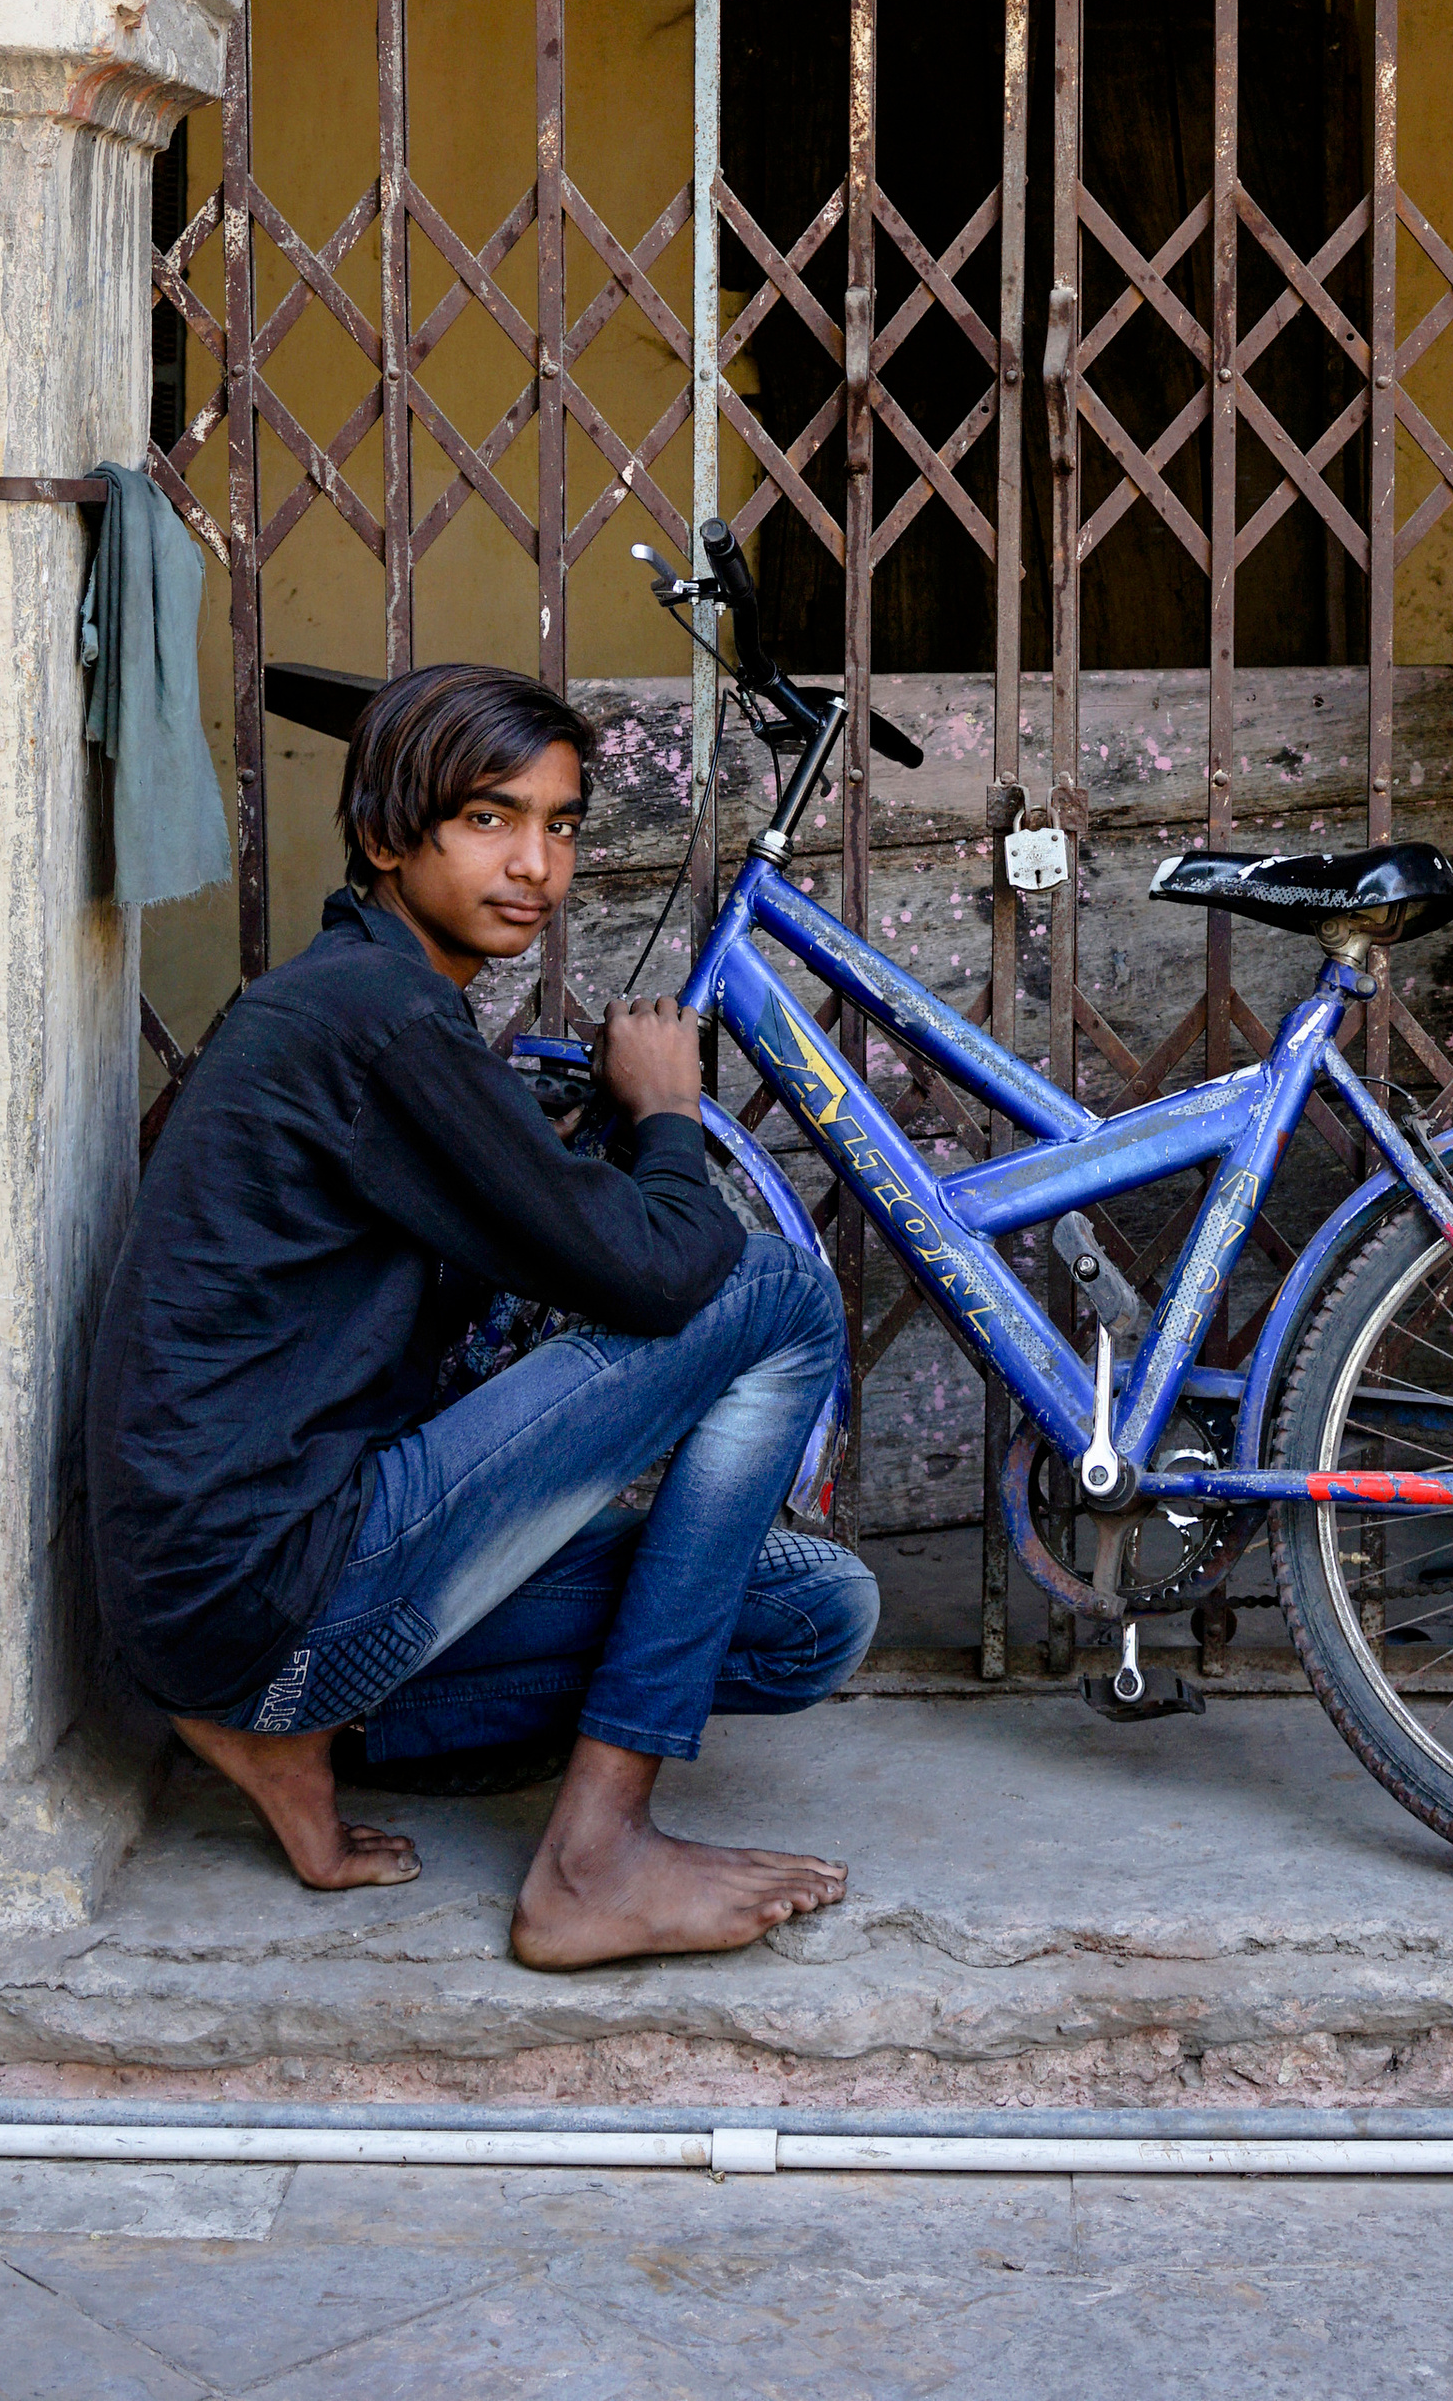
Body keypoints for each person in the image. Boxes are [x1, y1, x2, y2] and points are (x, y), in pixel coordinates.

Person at [86, 662, 876, 1962]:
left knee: (811, 1617)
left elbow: (548, 1239)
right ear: (390, 835)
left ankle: (291, 1735)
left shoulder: (372, 1006)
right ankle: (595, 1856)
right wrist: (668, 1109)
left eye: (560, 824)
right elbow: (664, 1273)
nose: (536, 863)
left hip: (234, 1618)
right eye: (487, 819)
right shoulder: (377, 1020)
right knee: (776, 1290)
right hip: (275, 1579)